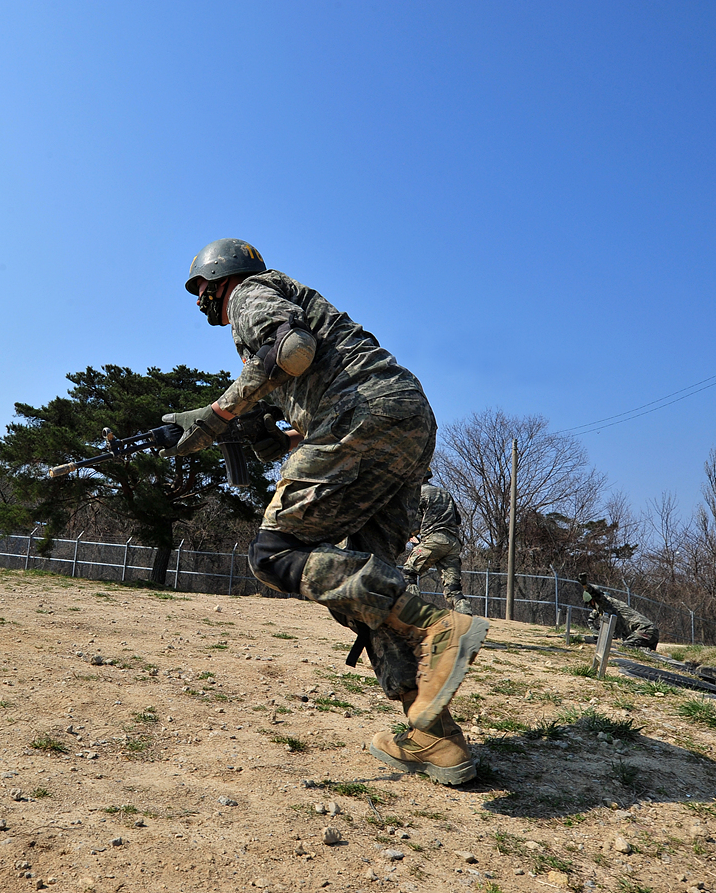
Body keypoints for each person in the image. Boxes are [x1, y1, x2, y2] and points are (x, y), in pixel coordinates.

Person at [159, 238, 489, 785]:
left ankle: (437, 628)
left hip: (361, 413)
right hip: (401, 421)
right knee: (359, 588)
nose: (200, 302)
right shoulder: (283, 304)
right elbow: (309, 374)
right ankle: (435, 735)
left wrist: (218, 414)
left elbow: (293, 350)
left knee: (275, 553)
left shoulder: (249, 293)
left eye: (201, 288)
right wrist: (288, 435)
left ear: (221, 278)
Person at [402, 482, 472, 615]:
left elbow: (414, 525)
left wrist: (407, 537)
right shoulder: (445, 493)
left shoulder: (419, 493)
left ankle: (411, 611)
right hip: (453, 543)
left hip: (434, 540)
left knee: (408, 573)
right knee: (453, 588)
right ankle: (465, 617)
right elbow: (457, 519)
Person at [577, 573, 659, 651]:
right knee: (629, 647)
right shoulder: (609, 607)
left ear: (591, 601)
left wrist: (585, 585)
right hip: (649, 631)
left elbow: (597, 594)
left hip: (645, 630)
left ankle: (647, 652)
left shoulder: (605, 602)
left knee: (627, 647)